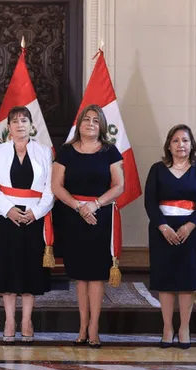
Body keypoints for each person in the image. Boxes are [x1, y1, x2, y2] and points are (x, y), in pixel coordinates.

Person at [51, 104, 124, 348]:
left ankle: (95, 327)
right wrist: (78, 207)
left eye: (95, 120)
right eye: (86, 119)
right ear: (79, 124)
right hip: (73, 218)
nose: (90, 123)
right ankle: (82, 325)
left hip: (100, 218)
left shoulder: (110, 151)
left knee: (96, 276)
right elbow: (57, 186)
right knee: (80, 277)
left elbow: (119, 185)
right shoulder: (66, 152)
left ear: (101, 126)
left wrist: (94, 205)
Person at [0, 106, 54, 344]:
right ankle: (9, 320)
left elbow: (49, 188)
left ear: (31, 125)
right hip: (6, 217)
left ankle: (26, 320)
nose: (19, 125)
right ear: (8, 127)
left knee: (30, 270)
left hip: (33, 219)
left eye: (24, 120)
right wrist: (8, 210)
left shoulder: (44, 152)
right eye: (14, 121)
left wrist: (35, 213)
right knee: (8, 268)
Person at [144, 124, 196, 349]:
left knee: (186, 282)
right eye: (175, 140)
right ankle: (167, 328)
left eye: (185, 140)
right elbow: (150, 202)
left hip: (191, 232)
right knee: (165, 282)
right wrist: (163, 227)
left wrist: (191, 225)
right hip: (162, 231)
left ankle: (184, 327)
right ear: (168, 145)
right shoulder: (157, 169)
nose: (180, 144)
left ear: (191, 144)